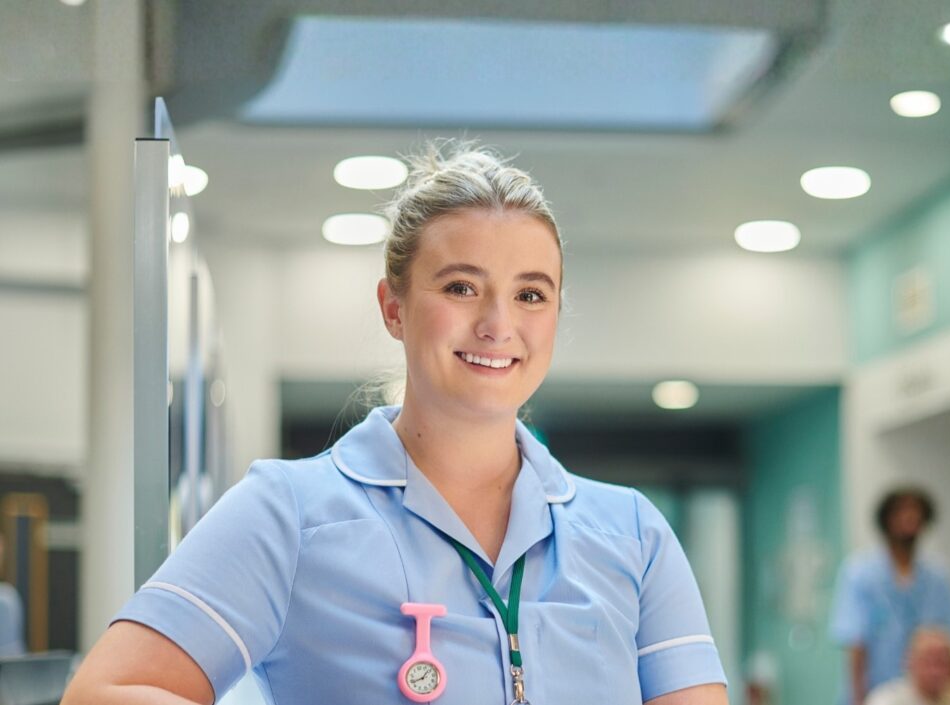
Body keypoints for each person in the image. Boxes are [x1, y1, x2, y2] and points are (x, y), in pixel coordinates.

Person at [63, 141, 728, 705]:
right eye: (461, 286)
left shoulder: (633, 534)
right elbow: (104, 693)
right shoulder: (290, 514)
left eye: (530, 293)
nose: (498, 324)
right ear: (394, 306)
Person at [829, 487, 950, 705]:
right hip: (873, 692)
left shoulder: (938, 576)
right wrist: (858, 700)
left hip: (925, 696)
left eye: (915, 511)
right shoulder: (860, 574)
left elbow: (948, 644)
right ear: (886, 521)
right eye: (901, 511)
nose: (909, 517)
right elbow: (856, 646)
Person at [864, 629, 950, 705]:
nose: (936, 671)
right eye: (928, 662)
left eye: (942, 663)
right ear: (910, 664)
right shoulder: (886, 700)